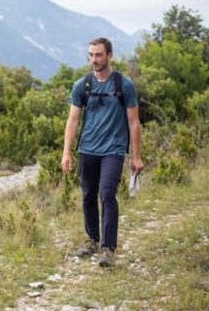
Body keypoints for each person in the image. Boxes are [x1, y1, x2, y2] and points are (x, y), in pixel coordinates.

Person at [61, 37, 144, 267]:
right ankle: (92, 240)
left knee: (107, 194)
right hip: (87, 149)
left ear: (110, 56)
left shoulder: (123, 85)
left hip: (114, 150)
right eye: (91, 55)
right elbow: (73, 119)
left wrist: (136, 156)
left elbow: (134, 122)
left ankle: (108, 248)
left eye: (98, 55)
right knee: (87, 195)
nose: (94, 60)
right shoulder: (82, 85)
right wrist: (66, 152)